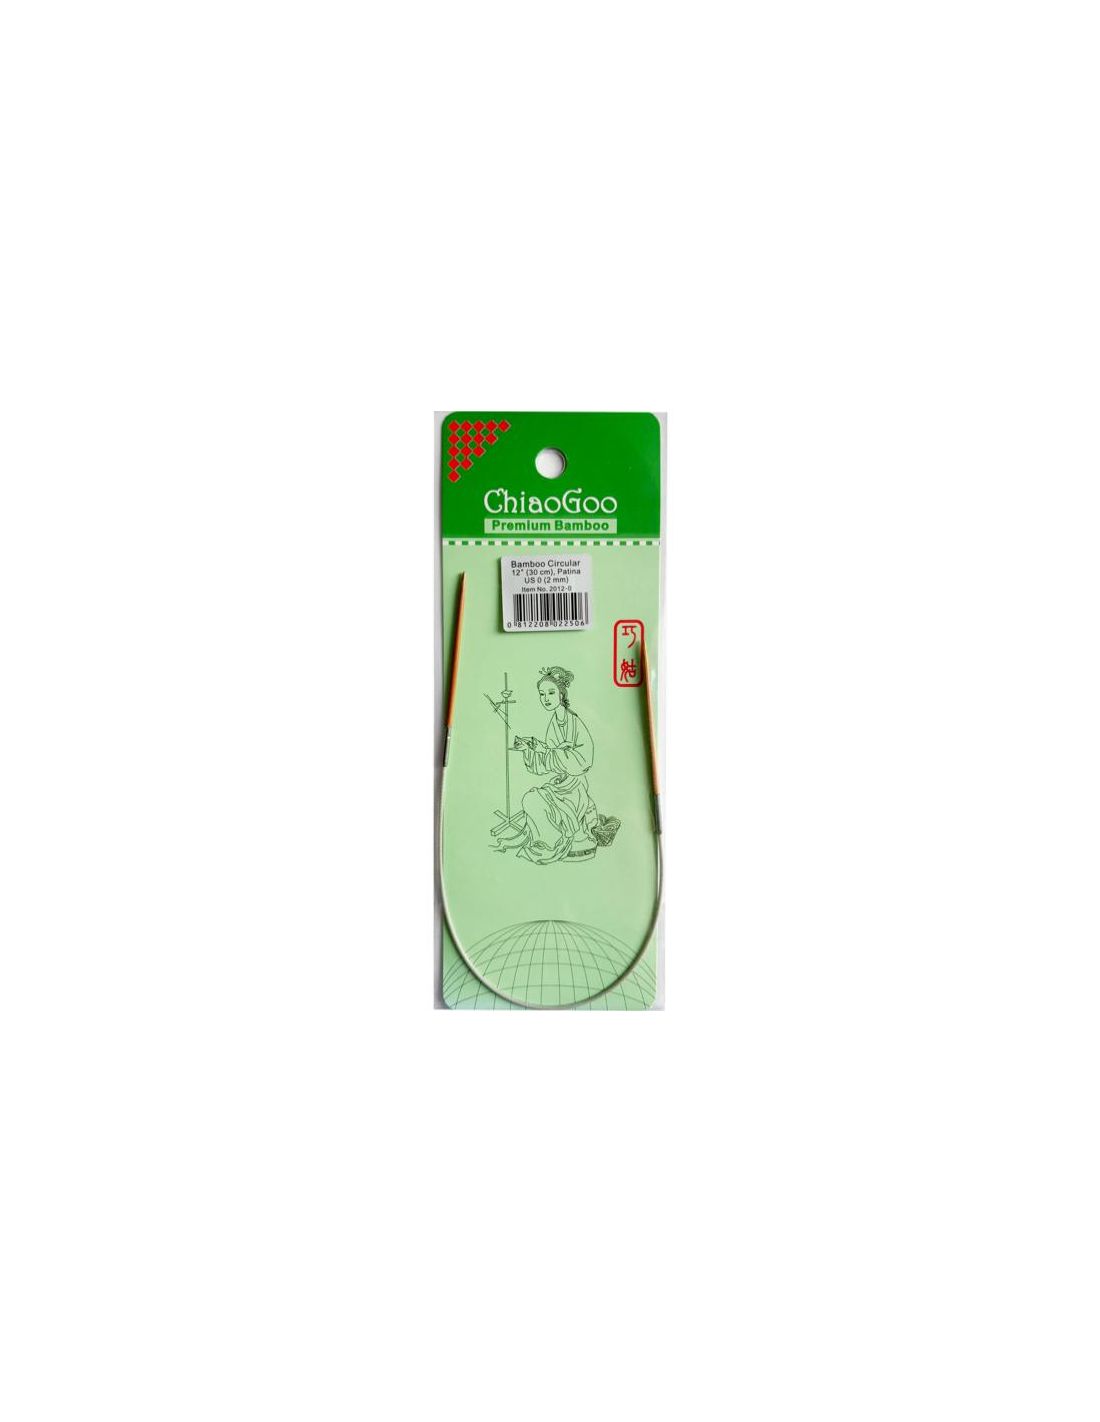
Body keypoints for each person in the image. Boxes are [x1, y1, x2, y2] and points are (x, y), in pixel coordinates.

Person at [492, 667, 619, 864]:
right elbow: (548, 763)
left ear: (561, 694)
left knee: (539, 802)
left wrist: (549, 751)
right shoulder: (553, 724)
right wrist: (529, 750)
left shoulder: (574, 722)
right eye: (542, 694)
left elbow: (584, 759)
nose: (546, 698)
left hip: (575, 786)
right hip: (560, 783)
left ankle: (555, 844)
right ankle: (546, 842)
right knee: (530, 798)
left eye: (551, 693)